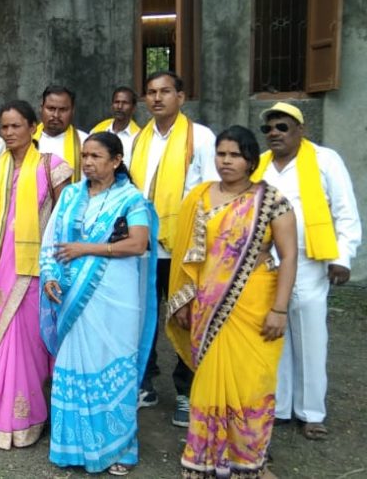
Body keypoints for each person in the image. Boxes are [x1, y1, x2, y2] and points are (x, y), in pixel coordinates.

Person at [166, 126, 297, 477]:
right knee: (209, 380)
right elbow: (186, 256)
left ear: (250, 160)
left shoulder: (271, 201)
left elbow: (289, 256)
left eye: (235, 155)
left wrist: (279, 309)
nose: (226, 161)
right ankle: (205, 459)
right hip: (207, 306)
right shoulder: (199, 197)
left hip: (255, 304)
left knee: (252, 382)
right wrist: (183, 301)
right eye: (221, 154)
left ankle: (248, 460)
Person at [39, 132, 158, 475]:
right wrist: (49, 275)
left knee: (113, 364)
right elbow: (52, 240)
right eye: (85, 156)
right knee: (75, 366)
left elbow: (138, 244)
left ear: (116, 161)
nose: (88, 162)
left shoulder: (131, 199)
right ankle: (74, 448)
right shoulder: (71, 195)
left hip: (116, 297)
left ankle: (120, 449)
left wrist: (86, 249)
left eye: (96, 156)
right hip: (72, 293)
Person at [251, 102, 361, 440]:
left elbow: (345, 211)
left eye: (282, 127)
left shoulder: (325, 160)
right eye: (268, 128)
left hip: (309, 260)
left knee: (310, 336)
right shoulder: (261, 165)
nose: (274, 133)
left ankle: (311, 413)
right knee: (273, 333)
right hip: (267, 262)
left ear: (301, 129)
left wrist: (343, 256)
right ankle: (280, 407)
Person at [0, 100, 73, 449]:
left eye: (16, 126)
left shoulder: (53, 167)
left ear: (33, 128)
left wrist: (62, 268)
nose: (9, 132)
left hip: (36, 271)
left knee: (31, 344)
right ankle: (10, 419)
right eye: (5, 126)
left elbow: (65, 221)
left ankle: (32, 416)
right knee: (5, 344)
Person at [131, 70, 218, 426]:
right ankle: (145, 383)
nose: (157, 98)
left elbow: (212, 192)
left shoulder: (201, 137)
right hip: (143, 246)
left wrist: (203, 246)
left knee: (186, 316)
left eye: (165, 91)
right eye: (151, 92)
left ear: (180, 97)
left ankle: (186, 390)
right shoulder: (139, 139)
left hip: (184, 247)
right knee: (142, 317)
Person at [34, 85, 88, 182]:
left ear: (72, 111)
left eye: (63, 110)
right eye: (51, 108)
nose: (56, 115)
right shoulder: (26, 140)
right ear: (41, 108)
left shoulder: (85, 142)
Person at [90, 86, 140, 166]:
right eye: (116, 102)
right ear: (112, 105)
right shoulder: (97, 131)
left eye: (125, 103)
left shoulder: (138, 137)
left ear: (133, 108)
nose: (119, 106)